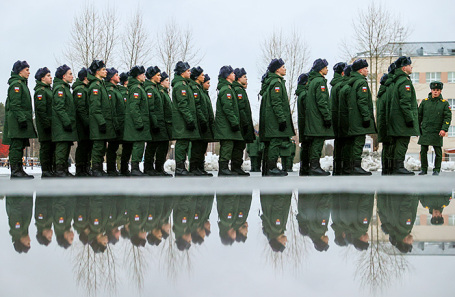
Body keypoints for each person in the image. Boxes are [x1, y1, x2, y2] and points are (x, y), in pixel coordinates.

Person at [258, 58, 295, 176]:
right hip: (274, 121)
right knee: (275, 142)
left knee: (271, 144)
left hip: (271, 121)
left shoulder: (272, 82)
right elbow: (277, 102)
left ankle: (267, 168)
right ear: (277, 69)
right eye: (283, 67)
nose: (285, 69)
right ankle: (272, 168)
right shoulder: (276, 83)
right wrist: (282, 119)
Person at [3, 60, 37, 178]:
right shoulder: (16, 85)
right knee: (16, 145)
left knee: (20, 145)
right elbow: (15, 104)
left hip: (20, 120)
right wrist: (22, 119)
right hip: (16, 121)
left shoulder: (22, 84)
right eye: (27, 70)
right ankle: (15, 170)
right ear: (19, 71)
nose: (29, 72)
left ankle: (19, 169)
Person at [387, 56, 419, 175]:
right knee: (402, 142)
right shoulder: (404, 81)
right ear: (404, 68)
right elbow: (405, 103)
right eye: (410, 65)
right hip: (402, 120)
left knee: (397, 143)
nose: (412, 67)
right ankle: (399, 167)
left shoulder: (397, 81)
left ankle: (396, 167)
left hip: (397, 119)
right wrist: (410, 118)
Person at [346, 58, 377, 175]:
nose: (367, 71)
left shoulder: (352, 81)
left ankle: (353, 166)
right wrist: (366, 117)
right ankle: (356, 167)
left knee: (355, 143)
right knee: (359, 142)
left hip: (353, 118)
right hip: (359, 118)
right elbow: (362, 101)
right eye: (365, 68)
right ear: (360, 70)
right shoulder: (361, 82)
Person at [304, 58, 333, 175]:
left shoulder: (311, 81)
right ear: (321, 69)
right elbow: (322, 101)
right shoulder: (320, 82)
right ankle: (315, 167)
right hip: (318, 118)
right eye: (326, 67)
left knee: (314, 143)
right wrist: (327, 116)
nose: (327, 69)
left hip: (312, 117)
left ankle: (314, 166)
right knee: (317, 143)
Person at [214, 65, 244, 176]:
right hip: (226, 126)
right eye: (232, 73)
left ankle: (225, 168)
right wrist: (234, 122)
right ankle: (223, 169)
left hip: (227, 125)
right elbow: (228, 108)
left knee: (229, 146)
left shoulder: (228, 88)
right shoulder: (226, 89)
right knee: (227, 146)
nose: (234, 75)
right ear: (227, 76)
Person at [88, 60, 116, 177]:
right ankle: (95, 169)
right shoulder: (95, 86)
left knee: (102, 147)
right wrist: (101, 122)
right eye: (103, 70)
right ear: (97, 72)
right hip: (98, 123)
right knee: (98, 147)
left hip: (103, 122)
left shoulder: (101, 84)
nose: (106, 71)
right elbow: (95, 107)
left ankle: (99, 168)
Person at [172, 61, 201, 176]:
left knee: (185, 144)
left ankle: (182, 167)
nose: (190, 72)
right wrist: (189, 119)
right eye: (188, 70)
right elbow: (182, 105)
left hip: (185, 120)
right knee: (182, 144)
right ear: (182, 72)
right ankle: (179, 168)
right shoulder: (180, 86)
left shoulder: (185, 84)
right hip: (182, 121)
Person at [123, 65, 152, 176]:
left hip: (139, 122)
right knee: (138, 145)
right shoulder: (136, 88)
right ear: (138, 76)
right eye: (143, 74)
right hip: (137, 124)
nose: (145, 76)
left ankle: (136, 168)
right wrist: (139, 122)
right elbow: (134, 107)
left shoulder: (138, 87)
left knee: (139, 145)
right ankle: (134, 168)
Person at [418, 81, 451, 176]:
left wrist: (444, 129)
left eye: (437, 90)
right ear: (431, 90)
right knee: (423, 151)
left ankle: (436, 169)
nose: (435, 92)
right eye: (433, 90)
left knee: (438, 152)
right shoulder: (425, 102)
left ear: (440, 91)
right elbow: (419, 116)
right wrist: (417, 129)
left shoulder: (444, 103)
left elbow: (447, 117)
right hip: (425, 130)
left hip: (437, 131)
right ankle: (424, 169)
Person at [52, 64, 77, 177]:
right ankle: (59, 170)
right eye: (70, 74)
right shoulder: (60, 89)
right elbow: (59, 107)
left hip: (66, 125)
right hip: (61, 125)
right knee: (61, 148)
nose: (72, 76)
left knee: (66, 147)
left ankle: (64, 170)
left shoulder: (65, 88)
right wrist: (66, 122)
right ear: (63, 76)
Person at [188, 66, 213, 176]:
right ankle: (194, 168)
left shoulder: (200, 90)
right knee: (197, 147)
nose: (203, 77)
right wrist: (202, 120)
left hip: (203, 122)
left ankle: (199, 168)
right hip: (199, 122)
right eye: (202, 75)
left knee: (202, 147)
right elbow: (197, 107)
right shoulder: (195, 89)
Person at [232, 67, 255, 175]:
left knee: (240, 146)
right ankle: (236, 167)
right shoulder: (238, 90)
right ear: (238, 78)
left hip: (241, 123)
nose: (246, 79)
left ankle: (237, 167)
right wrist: (245, 123)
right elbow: (241, 109)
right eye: (244, 77)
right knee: (239, 146)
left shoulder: (240, 89)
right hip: (241, 124)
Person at [33, 67, 55, 178]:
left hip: (51, 124)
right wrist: (46, 124)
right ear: (42, 78)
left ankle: (50, 169)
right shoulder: (40, 91)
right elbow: (41, 110)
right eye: (48, 76)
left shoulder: (48, 90)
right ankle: (45, 170)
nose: (51, 77)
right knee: (46, 148)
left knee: (51, 147)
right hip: (45, 125)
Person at [105, 68, 126, 176]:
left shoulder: (116, 89)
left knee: (115, 147)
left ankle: (113, 169)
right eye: (116, 75)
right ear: (111, 77)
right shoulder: (110, 90)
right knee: (112, 148)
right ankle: (111, 169)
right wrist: (116, 125)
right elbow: (112, 109)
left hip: (119, 123)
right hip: (114, 124)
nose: (119, 77)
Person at [376, 63, 396, 175]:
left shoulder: (380, 94)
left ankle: (385, 168)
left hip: (382, 125)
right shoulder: (388, 92)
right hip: (388, 124)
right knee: (390, 147)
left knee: (385, 147)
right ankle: (390, 168)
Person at [73, 68, 92, 177]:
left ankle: (86, 167)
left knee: (88, 146)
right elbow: (80, 108)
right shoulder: (80, 89)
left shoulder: (86, 88)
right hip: (82, 124)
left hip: (86, 123)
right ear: (85, 77)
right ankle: (80, 168)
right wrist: (87, 122)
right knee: (83, 146)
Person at [330, 62, 347, 175]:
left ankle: (337, 167)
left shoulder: (335, 85)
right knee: (344, 143)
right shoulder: (341, 85)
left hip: (336, 118)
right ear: (342, 73)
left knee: (338, 143)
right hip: (342, 118)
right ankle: (343, 167)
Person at [158, 71, 174, 176]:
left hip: (167, 124)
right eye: (166, 80)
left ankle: (160, 168)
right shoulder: (161, 93)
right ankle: (158, 168)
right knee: (161, 147)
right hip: (162, 124)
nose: (168, 82)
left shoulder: (165, 93)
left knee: (165, 147)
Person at [296, 72, 310, 176]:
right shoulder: (305, 94)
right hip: (306, 123)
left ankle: (304, 167)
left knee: (305, 146)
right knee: (307, 146)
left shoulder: (301, 93)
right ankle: (305, 167)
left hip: (303, 123)